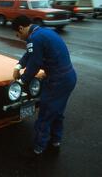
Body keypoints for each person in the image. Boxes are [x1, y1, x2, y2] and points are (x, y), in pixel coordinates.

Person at [12, 16, 77, 155]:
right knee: (57, 112)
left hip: (57, 81)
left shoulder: (34, 39)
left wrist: (22, 81)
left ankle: (38, 148)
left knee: (45, 114)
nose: (20, 38)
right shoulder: (45, 32)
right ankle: (55, 141)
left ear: (21, 28)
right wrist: (18, 66)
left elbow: (34, 64)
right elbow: (30, 54)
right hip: (69, 77)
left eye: (18, 35)